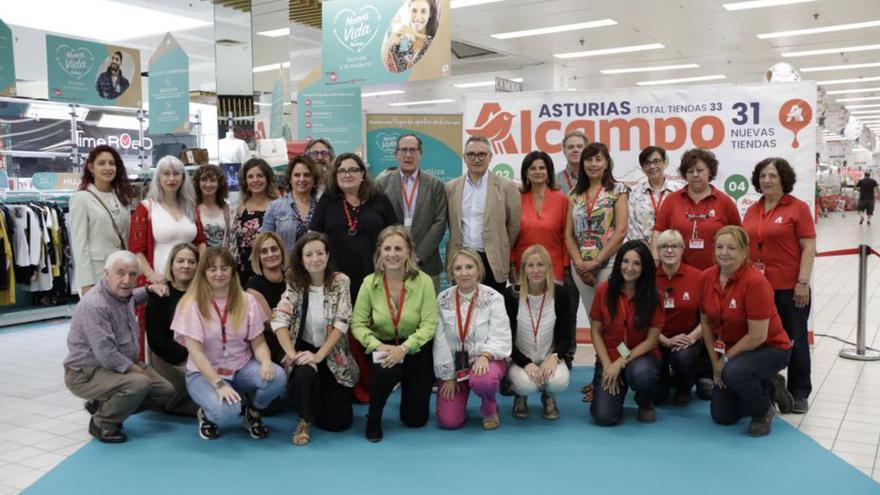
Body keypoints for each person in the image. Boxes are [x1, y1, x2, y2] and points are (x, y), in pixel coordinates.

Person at [172, 247, 286, 440]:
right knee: (227, 411)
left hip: (240, 368)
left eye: (224, 268)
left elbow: (258, 342)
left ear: (232, 271)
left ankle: (253, 412)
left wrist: (266, 362)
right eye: (212, 269)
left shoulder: (247, 300)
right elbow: (196, 353)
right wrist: (218, 384)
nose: (219, 274)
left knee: (278, 377)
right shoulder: (191, 304)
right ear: (204, 273)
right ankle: (206, 415)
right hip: (204, 374)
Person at [310, 152, 398, 404]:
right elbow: (314, 237)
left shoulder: (379, 200)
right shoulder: (327, 201)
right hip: (337, 282)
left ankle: (378, 385)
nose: (347, 174)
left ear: (362, 174)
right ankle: (349, 385)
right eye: (341, 171)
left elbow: (395, 235)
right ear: (335, 176)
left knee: (375, 332)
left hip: (375, 280)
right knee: (344, 336)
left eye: (353, 170)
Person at [64, 251, 173, 443]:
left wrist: (149, 289)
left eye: (132, 275)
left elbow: (133, 297)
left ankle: (103, 405)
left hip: (117, 366)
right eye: (120, 273)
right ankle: (102, 422)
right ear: (107, 273)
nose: (126, 280)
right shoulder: (95, 305)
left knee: (165, 391)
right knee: (141, 384)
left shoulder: (123, 294)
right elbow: (108, 355)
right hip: (86, 373)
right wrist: (140, 371)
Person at [700, 226, 794, 437]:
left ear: (744, 251)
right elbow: (705, 324)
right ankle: (769, 385)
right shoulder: (706, 277)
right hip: (734, 349)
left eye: (732, 248)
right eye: (720, 247)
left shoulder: (755, 283)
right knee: (722, 416)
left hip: (770, 348)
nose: (724, 253)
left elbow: (757, 336)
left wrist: (723, 363)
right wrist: (715, 361)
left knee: (734, 372)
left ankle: (763, 411)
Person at [742, 158, 816, 413]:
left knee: (795, 339)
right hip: (758, 289)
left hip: (789, 287)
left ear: (784, 178)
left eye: (772, 175)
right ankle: (771, 385)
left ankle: (800, 391)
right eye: (763, 176)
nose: (767, 180)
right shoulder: (753, 209)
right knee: (762, 341)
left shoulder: (798, 208)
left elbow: (808, 247)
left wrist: (803, 282)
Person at [351, 226, 438, 441]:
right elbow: (357, 324)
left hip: (415, 347)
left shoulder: (424, 281)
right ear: (380, 251)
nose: (392, 254)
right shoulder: (369, 283)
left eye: (398, 248)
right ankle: (374, 416)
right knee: (383, 370)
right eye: (387, 248)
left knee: (415, 420)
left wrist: (405, 348)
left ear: (408, 251)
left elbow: (429, 324)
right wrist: (378, 345)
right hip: (385, 345)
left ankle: (410, 395)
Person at [271, 232, 359, 445]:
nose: (315, 258)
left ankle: (317, 399)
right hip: (303, 350)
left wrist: (319, 356)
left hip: (332, 353)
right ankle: (303, 419)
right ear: (301, 259)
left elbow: (341, 323)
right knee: (303, 375)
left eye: (320, 253)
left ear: (328, 256)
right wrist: (292, 355)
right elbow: (279, 317)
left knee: (337, 423)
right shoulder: (294, 281)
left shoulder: (340, 281)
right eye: (308, 254)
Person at [434, 248, 511, 430]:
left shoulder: (494, 298)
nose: (464, 273)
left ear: (479, 270)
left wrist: (485, 355)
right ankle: (461, 389)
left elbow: (501, 335)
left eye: (469, 267)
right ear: (451, 272)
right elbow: (440, 341)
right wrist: (448, 376)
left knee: (484, 380)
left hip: (485, 361)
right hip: (456, 365)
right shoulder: (442, 300)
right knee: (449, 422)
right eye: (458, 268)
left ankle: (489, 405)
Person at [588, 240, 663, 426]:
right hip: (610, 358)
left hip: (641, 358)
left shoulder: (653, 296)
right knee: (604, 417)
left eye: (637, 263)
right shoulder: (604, 289)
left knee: (641, 374)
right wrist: (608, 366)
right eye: (625, 261)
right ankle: (610, 392)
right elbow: (596, 331)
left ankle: (644, 401)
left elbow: (652, 340)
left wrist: (621, 362)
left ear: (645, 267)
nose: (629, 268)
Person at [511, 151, 575, 363]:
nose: (538, 172)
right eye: (533, 168)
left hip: (554, 268)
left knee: (552, 321)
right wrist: (512, 262)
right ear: (526, 173)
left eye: (542, 168)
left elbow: (567, 235)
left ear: (549, 172)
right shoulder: (516, 198)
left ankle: (557, 365)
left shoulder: (562, 200)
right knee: (525, 322)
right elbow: (510, 234)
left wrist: (566, 266)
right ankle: (521, 368)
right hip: (523, 269)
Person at [504, 245, 574, 420]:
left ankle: (549, 395)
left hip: (549, 357)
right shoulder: (511, 295)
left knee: (559, 382)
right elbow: (506, 338)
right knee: (526, 385)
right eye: (530, 265)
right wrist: (525, 362)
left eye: (541, 264)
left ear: (548, 267)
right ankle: (520, 395)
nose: (536, 270)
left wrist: (555, 356)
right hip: (520, 360)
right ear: (523, 269)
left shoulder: (561, 294)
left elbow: (566, 335)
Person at [447, 135, 521, 294]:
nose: (477, 159)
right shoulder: (451, 187)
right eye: (471, 155)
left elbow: (514, 224)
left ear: (490, 157)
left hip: (492, 259)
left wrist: (501, 244)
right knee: (463, 310)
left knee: (492, 309)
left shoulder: (506, 186)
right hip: (462, 258)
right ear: (464, 158)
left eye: (482, 154)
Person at [374, 134, 448, 292]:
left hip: (427, 264)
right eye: (404, 150)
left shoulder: (436, 185)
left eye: (413, 150)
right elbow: (377, 222)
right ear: (396, 154)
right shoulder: (381, 184)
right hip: (391, 263)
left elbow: (440, 223)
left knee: (427, 314)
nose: (408, 155)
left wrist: (417, 257)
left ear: (420, 154)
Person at [565, 142, 629, 316]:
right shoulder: (573, 194)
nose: (593, 164)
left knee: (610, 316)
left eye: (598, 159)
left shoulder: (618, 190)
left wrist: (596, 261)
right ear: (583, 164)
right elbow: (569, 235)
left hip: (609, 261)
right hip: (580, 266)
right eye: (589, 160)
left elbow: (621, 231)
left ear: (606, 163)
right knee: (594, 316)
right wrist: (580, 265)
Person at [653, 148, 741, 270]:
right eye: (690, 171)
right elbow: (658, 232)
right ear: (685, 174)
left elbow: (739, 238)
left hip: (717, 273)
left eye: (700, 170)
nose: (695, 174)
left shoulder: (724, 201)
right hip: (677, 272)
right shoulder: (671, 200)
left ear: (710, 172)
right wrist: (656, 261)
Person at [129, 155, 205, 287]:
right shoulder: (146, 208)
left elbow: (201, 242)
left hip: (190, 280)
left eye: (176, 174)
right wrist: (151, 275)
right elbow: (136, 250)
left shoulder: (191, 207)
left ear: (183, 178)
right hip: (160, 280)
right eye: (166, 174)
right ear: (158, 178)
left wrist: (202, 269)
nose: (171, 178)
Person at [653, 229, 707, 405]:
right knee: (657, 397)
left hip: (687, 340)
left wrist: (690, 338)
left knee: (683, 359)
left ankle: (685, 386)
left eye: (674, 246)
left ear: (683, 249)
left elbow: (708, 317)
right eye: (664, 246)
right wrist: (664, 341)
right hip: (655, 340)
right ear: (657, 250)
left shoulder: (698, 277)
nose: (669, 251)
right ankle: (665, 380)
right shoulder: (648, 277)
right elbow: (641, 318)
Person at [144, 242, 199, 416]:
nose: (186, 266)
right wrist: (188, 355)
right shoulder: (160, 293)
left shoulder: (203, 292)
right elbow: (156, 339)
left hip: (200, 354)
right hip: (170, 358)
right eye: (180, 261)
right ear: (172, 264)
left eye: (191, 262)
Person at [70, 145, 133, 295]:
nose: (108, 167)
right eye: (101, 163)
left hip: (121, 273)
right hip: (97, 274)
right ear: (91, 168)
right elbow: (79, 245)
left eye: (112, 163)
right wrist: (86, 283)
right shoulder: (81, 198)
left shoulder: (121, 198)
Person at [230, 158, 279, 286]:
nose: (255, 180)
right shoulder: (239, 208)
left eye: (260, 176)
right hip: (244, 270)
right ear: (245, 182)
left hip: (272, 267)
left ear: (267, 178)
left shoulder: (278, 205)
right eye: (250, 176)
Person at [261, 155, 320, 255]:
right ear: (290, 179)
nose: (302, 179)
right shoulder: (275, 207)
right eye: (297, 175)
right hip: (287, 267)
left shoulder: (321, 207)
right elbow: (264, 243)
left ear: (313, 179)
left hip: (315, 266)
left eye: (306, 175)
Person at [246, 232, 288, 364]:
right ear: (258, 257)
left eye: (274, 249)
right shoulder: (254, 287)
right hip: (272, 344)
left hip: (295, 336)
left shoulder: (292, 278)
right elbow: (272, 325)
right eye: (264, 251)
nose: (270, 254)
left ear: (281, 251)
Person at [627, 146, 684, 245]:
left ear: (664, 162)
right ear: (642, 168)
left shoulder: (679, 190)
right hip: (644, 251)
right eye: (647, 163)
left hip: (675, 249)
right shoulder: (634, 194)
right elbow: (631, 226)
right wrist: (647, 251)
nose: (652, 166)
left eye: (656, 161)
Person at [381, 0, 439, 73]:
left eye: (423, 11)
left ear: (430, 13)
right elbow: (388, 70)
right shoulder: (404, 40)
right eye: (414, 11)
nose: (418, 17)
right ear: (409, 11)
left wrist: (415, 33)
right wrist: (388, 43)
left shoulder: (437, 35)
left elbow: (433, 44)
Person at [193, 164, 232, 249]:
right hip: (199, 259)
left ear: (219, 184)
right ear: (197, 183)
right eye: (204, 180)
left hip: (221, 260)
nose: (208, 184)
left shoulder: (227, 209)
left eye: (213, 180)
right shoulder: (192, 209)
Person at [555, 131, 588, 195]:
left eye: (579, 146)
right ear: (564, 151)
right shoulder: (554, 181)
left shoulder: (596, 179)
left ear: (586, 150)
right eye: (571, 147)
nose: (575, 150)